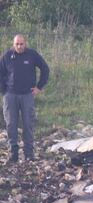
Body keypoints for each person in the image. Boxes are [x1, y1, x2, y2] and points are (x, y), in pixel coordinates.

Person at [0, 34, 49, 164]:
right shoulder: (7, 56)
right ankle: (13, 155)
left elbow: (45, 68)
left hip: (27, 95)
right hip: (10, 96)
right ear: (13, 44)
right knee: (11, 124)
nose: (19, 46)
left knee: (28, 124)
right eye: (17, 44)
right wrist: (3, 91)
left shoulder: (32, 55)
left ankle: (29, 154)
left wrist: (39, 87)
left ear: (25, 44)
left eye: (22, 44)